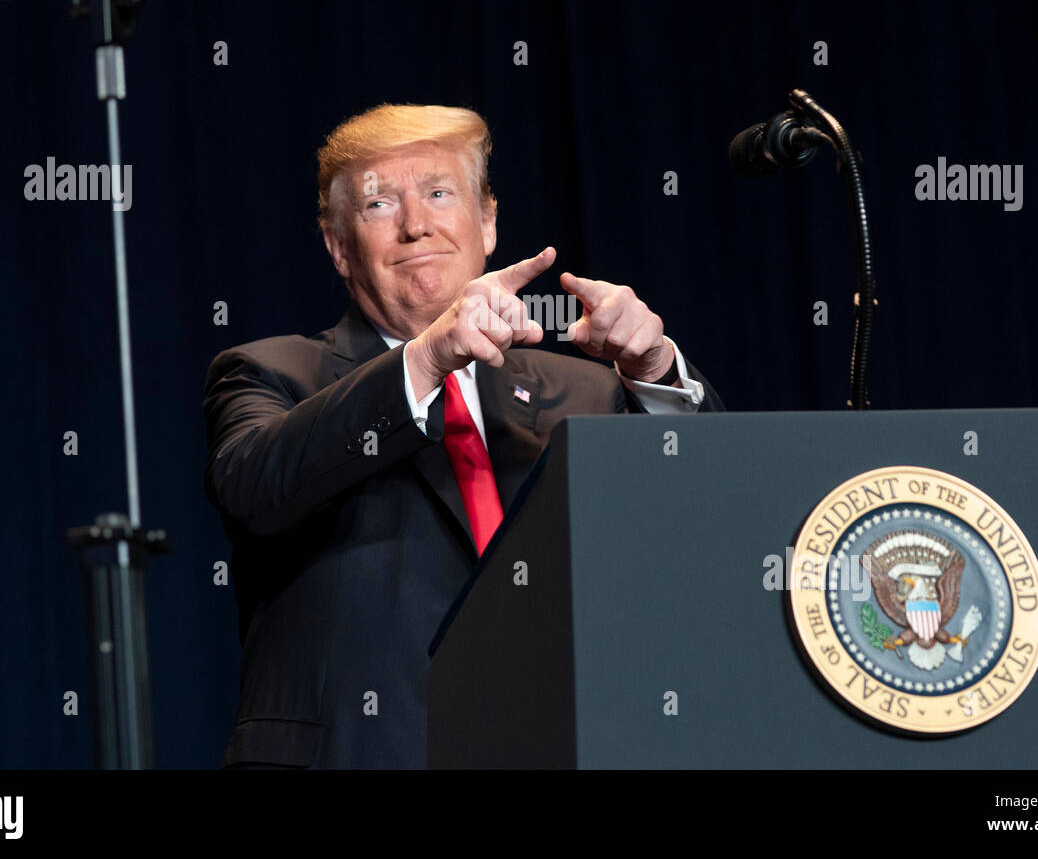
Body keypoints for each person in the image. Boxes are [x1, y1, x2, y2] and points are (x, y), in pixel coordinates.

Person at [203, 104, 725, 768]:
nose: (415, 223)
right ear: (338, 245)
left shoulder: (589, 392)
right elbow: (252, 486)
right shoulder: (271, 373)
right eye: (379, 204)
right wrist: (426, 358)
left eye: (440, 193)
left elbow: (711, 520)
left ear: (487, 223)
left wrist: (655, 373)